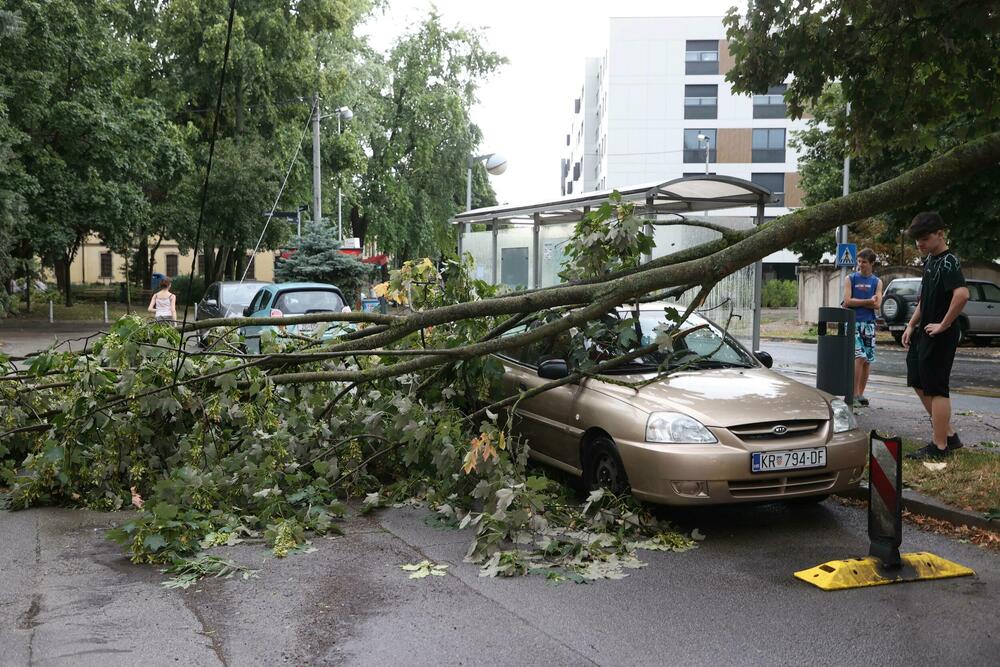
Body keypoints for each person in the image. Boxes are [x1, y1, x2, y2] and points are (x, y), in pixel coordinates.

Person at [902, 212, 969, 459]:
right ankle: (949, 434)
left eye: (925, 237)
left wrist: (943, 324)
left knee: (937, 388)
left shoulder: (949, 261)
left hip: (941, 334)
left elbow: (961, 295)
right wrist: (911, 325)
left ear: (940, 234)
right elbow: (925, 299)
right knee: (917, 378)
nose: (919, 242)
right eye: (917, 238)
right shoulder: (930, 260)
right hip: (924, 332)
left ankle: (940, 446)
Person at [842, 248, 882, 408]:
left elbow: (878, 304)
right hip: (852, 323)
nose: (860, 265)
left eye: (864, 262)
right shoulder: (850, 279)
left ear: (871, 263)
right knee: (858, 357)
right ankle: (852, 395)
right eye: (858, 261)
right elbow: (847, 301)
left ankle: (860, 393)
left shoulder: (877, 282)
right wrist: (867, 302)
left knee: (867, 361)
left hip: (869, 324)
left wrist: (864, 302)